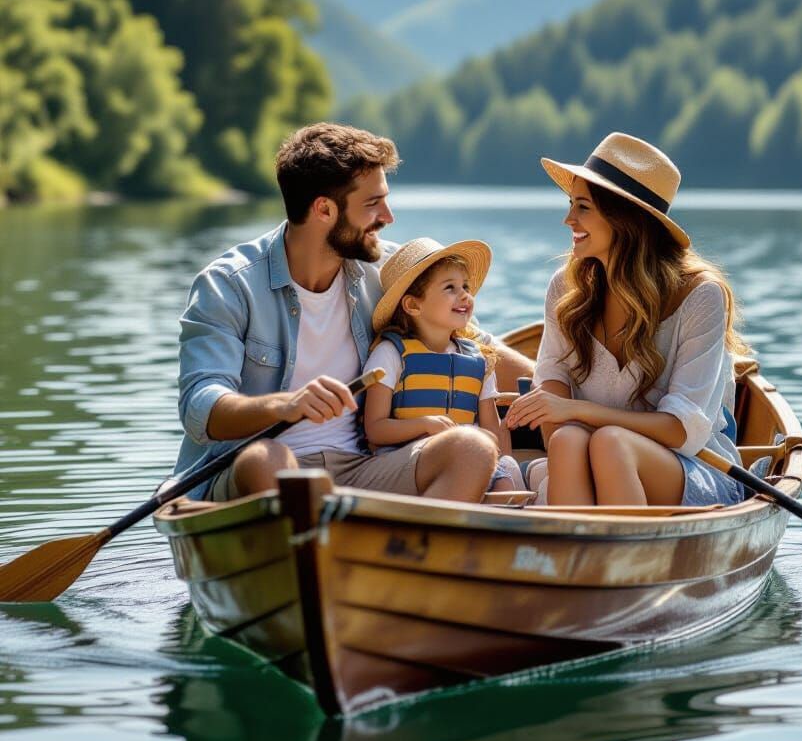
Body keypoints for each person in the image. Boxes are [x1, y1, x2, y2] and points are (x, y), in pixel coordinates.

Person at [174, 122, 532, 503]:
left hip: (363, 468)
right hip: (258, 473)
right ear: (324, 209)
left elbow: (475, 342)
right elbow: (201, 406)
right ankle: (314, 548)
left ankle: (410, 553)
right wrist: (286, 404)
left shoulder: (389, 273)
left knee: (471, 447)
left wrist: (560, 389)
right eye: (373, 203)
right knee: (268, 458)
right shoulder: (230, 284)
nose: (389, 216)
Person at [505, 132, 748, 508]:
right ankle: (574, 559)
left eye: (582, 207)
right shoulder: (567, 288)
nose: (568, 218)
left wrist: (579, 410)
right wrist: (565, 416)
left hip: (690, 468)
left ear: (623, 217)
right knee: (569, 439)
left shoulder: (700, 295)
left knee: (612, 443)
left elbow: (681, 430)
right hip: (585, 451)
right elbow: (552, 398)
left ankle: (627, 565)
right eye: (572, 204)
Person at [362, 238, 525, 493]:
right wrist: (425, 424)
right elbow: (375, 429)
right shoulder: (391, 354)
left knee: (506, 485)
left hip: (473, 458)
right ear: (413, 305)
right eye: (450, 287)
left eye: (466, 287)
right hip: (410, 461)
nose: (465, 296)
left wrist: (501, 462)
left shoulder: (479, 360)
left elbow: (492, 430)